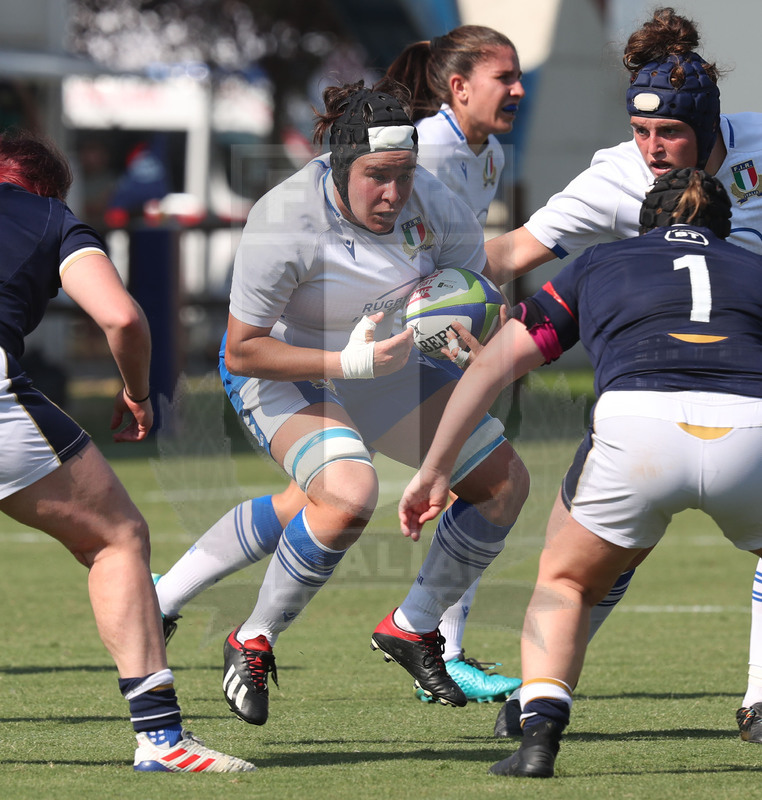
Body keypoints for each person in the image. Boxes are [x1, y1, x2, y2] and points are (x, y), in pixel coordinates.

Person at [154, 24, 526, 705]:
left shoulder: (430, 201)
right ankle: (254, 639)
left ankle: (413, 629)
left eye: (404, 176)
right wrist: (344, 362)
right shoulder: (286, 219)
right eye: (377, 178)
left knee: (502, 486)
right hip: (283, 370)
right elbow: (242, 349)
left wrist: (467, 333)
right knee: (347, 494)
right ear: (338, 165)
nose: (393, 194)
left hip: (387, 365)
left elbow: (475, 293)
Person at [400, 167, 762, 778]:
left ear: (645, 223)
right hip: (753, 427)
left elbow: (491, 369)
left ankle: (538, 735)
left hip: (637, 426)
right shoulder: (752, 266)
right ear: (727, 231)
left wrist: (436, 467)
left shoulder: (601, 263)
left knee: (565, 582)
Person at [476, 6, 762, 740]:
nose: (654, 151)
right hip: (674, 392)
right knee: (601, 556)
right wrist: (412, 286)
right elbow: (510, 254)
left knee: (578, 557)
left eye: (669, 133)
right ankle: (526, 682)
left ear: (710, 126)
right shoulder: (614, 175)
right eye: (640, 132)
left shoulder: (761, 142)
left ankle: (755, 699)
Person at [0, 129, 254, 774]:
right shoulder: (50, 217)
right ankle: (162, 741)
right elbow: (123, 318)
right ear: (49, 189)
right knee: (118, 537)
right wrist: (137, 393)